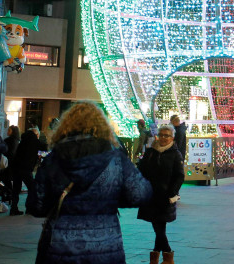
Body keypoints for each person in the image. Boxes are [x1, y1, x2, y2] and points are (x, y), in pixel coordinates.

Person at [28, 102, 152, 263]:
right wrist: (110, 198)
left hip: (62, 247)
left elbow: (36, 205)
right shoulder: (116, 160)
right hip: (105, 246)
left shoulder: (54, 159)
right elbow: (140, 193)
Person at [137, 124, 184, 264]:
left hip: (165, 197)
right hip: (150, 196)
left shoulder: (175, 154)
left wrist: (172, 193)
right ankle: (158, 257)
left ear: (172, 138)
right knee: (158, 226)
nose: (163, 138)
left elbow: (179, 176)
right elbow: (141, 170)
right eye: (161, 135)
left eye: (166, 135)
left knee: (159, 227)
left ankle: (166, 256)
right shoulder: (151, 152)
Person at [13, 124, 47, 213]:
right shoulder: (34, 141)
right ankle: (29, 207)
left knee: (16, 189)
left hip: (17, 167)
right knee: (32, 188)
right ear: (36, 135)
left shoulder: (24, 141)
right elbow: (44, 148)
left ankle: (13, 208)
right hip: (26, 168)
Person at [4, 125, 22, 215]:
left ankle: (8, 194)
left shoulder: (9, 140)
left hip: (8, 164)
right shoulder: (17, 141)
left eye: (9, 130)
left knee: (7, 180)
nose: (8, 131)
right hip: (15, 165)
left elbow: (7, 151)